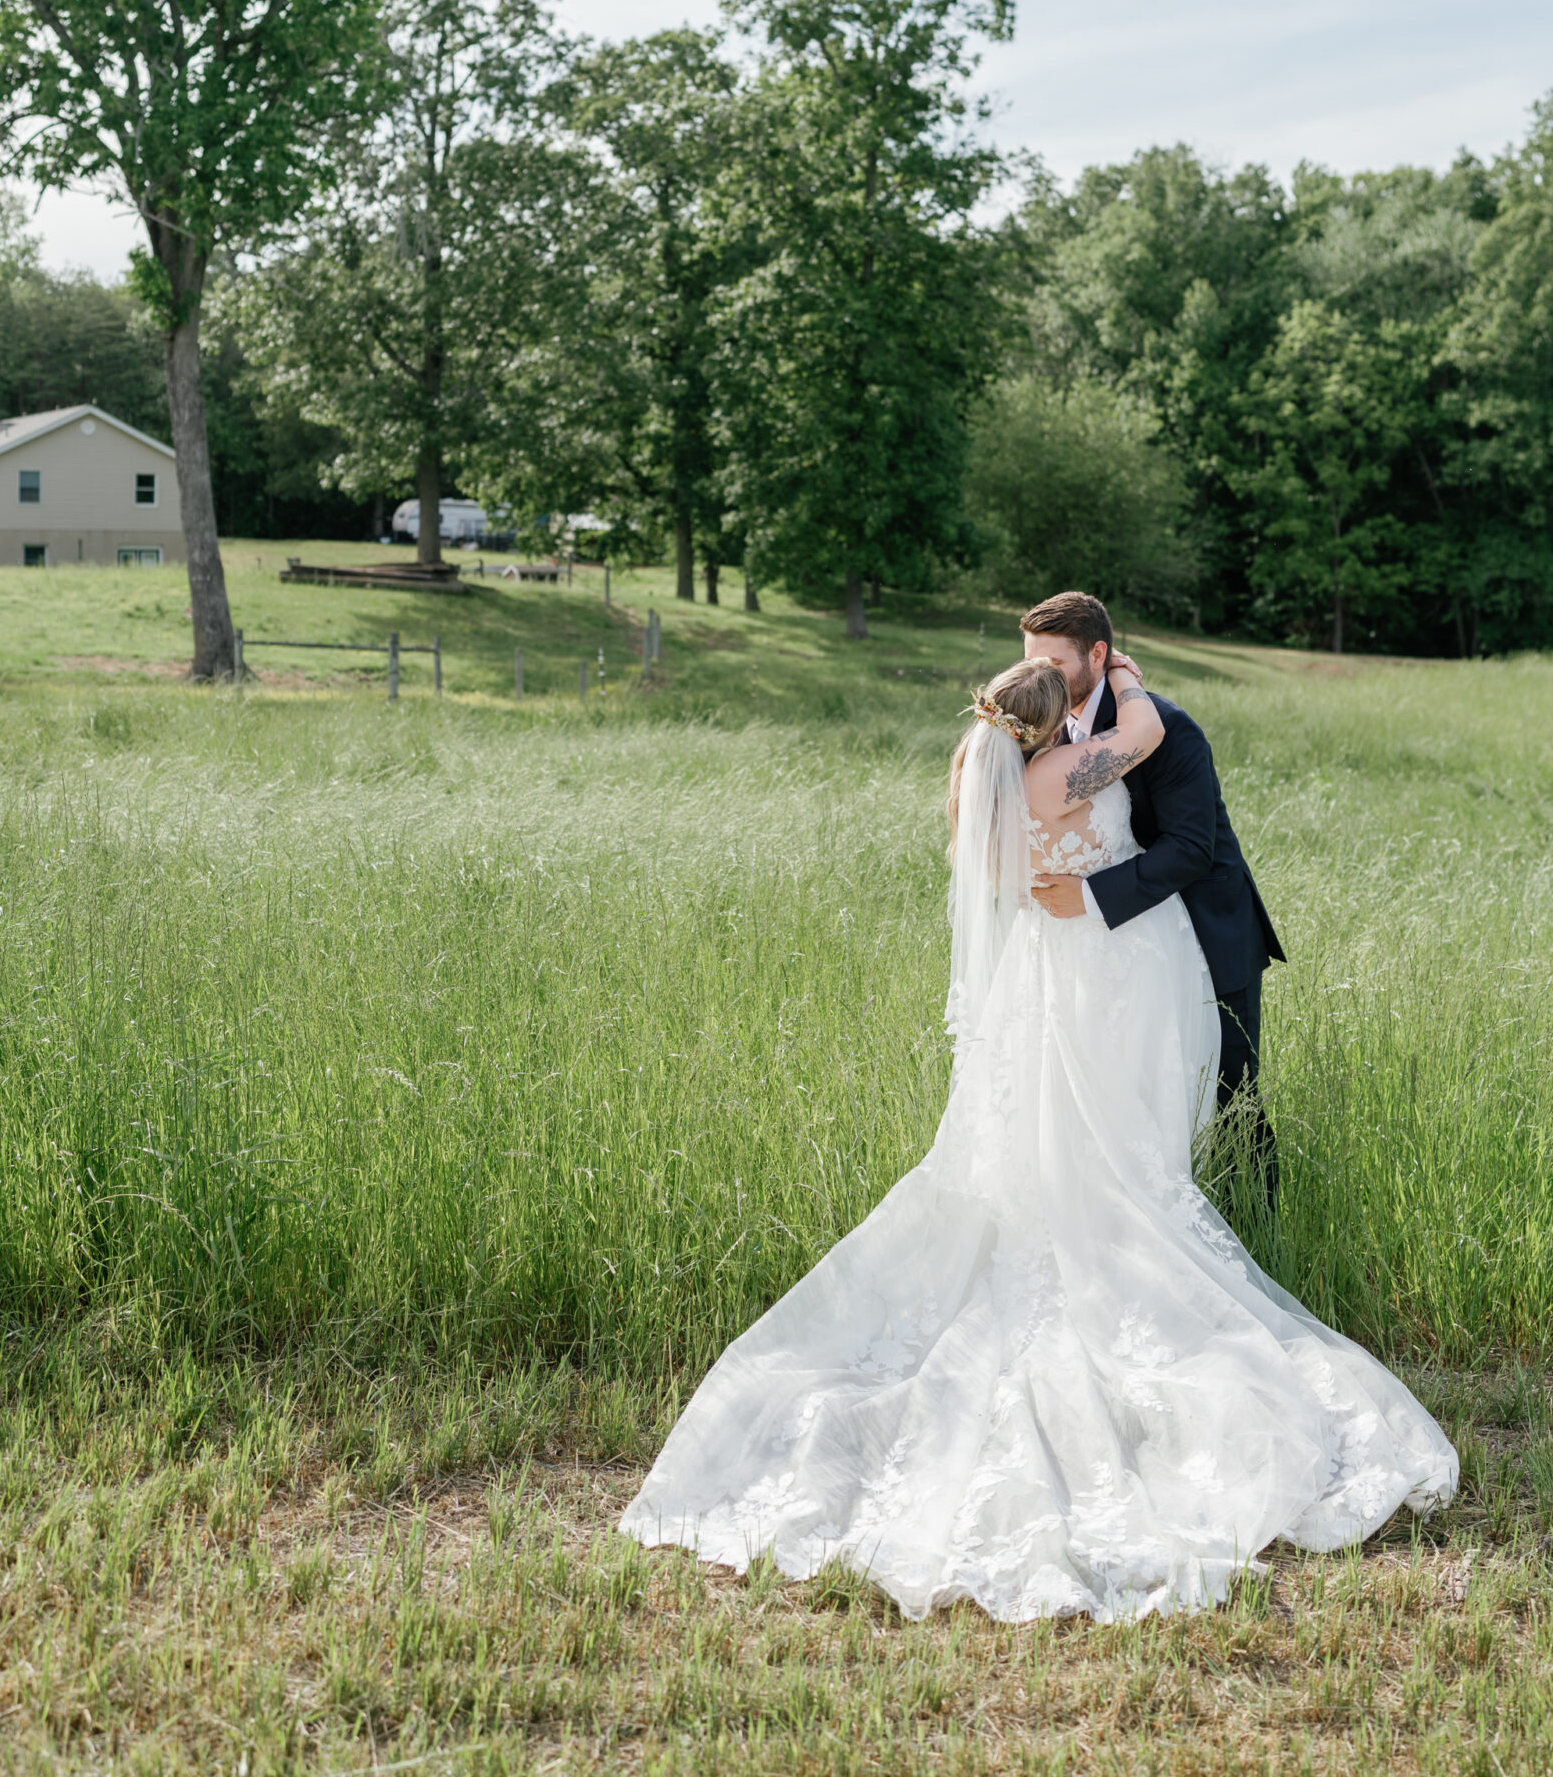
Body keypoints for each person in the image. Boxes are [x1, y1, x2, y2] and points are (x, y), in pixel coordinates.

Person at [619, 650, 1455, 1625]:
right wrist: (1131, 682)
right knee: (1099, 1147)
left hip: (1034, 979)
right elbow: (1138, 739)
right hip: (1086, 979)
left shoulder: (982, 781)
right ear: (1055, 722)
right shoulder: (1068, 771)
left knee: (1040, 1143)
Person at [1021, 592, 1281, 1203]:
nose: (1041, 679)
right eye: (1032, 664)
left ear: (1099, 655)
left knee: (1229, 1089)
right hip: (1117, 947)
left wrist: (1087, 897)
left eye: (1053, 666)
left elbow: (1192, 848)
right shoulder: (1039, 727)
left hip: (1208, 927)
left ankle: (1258, 1222)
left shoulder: (1168, 727)